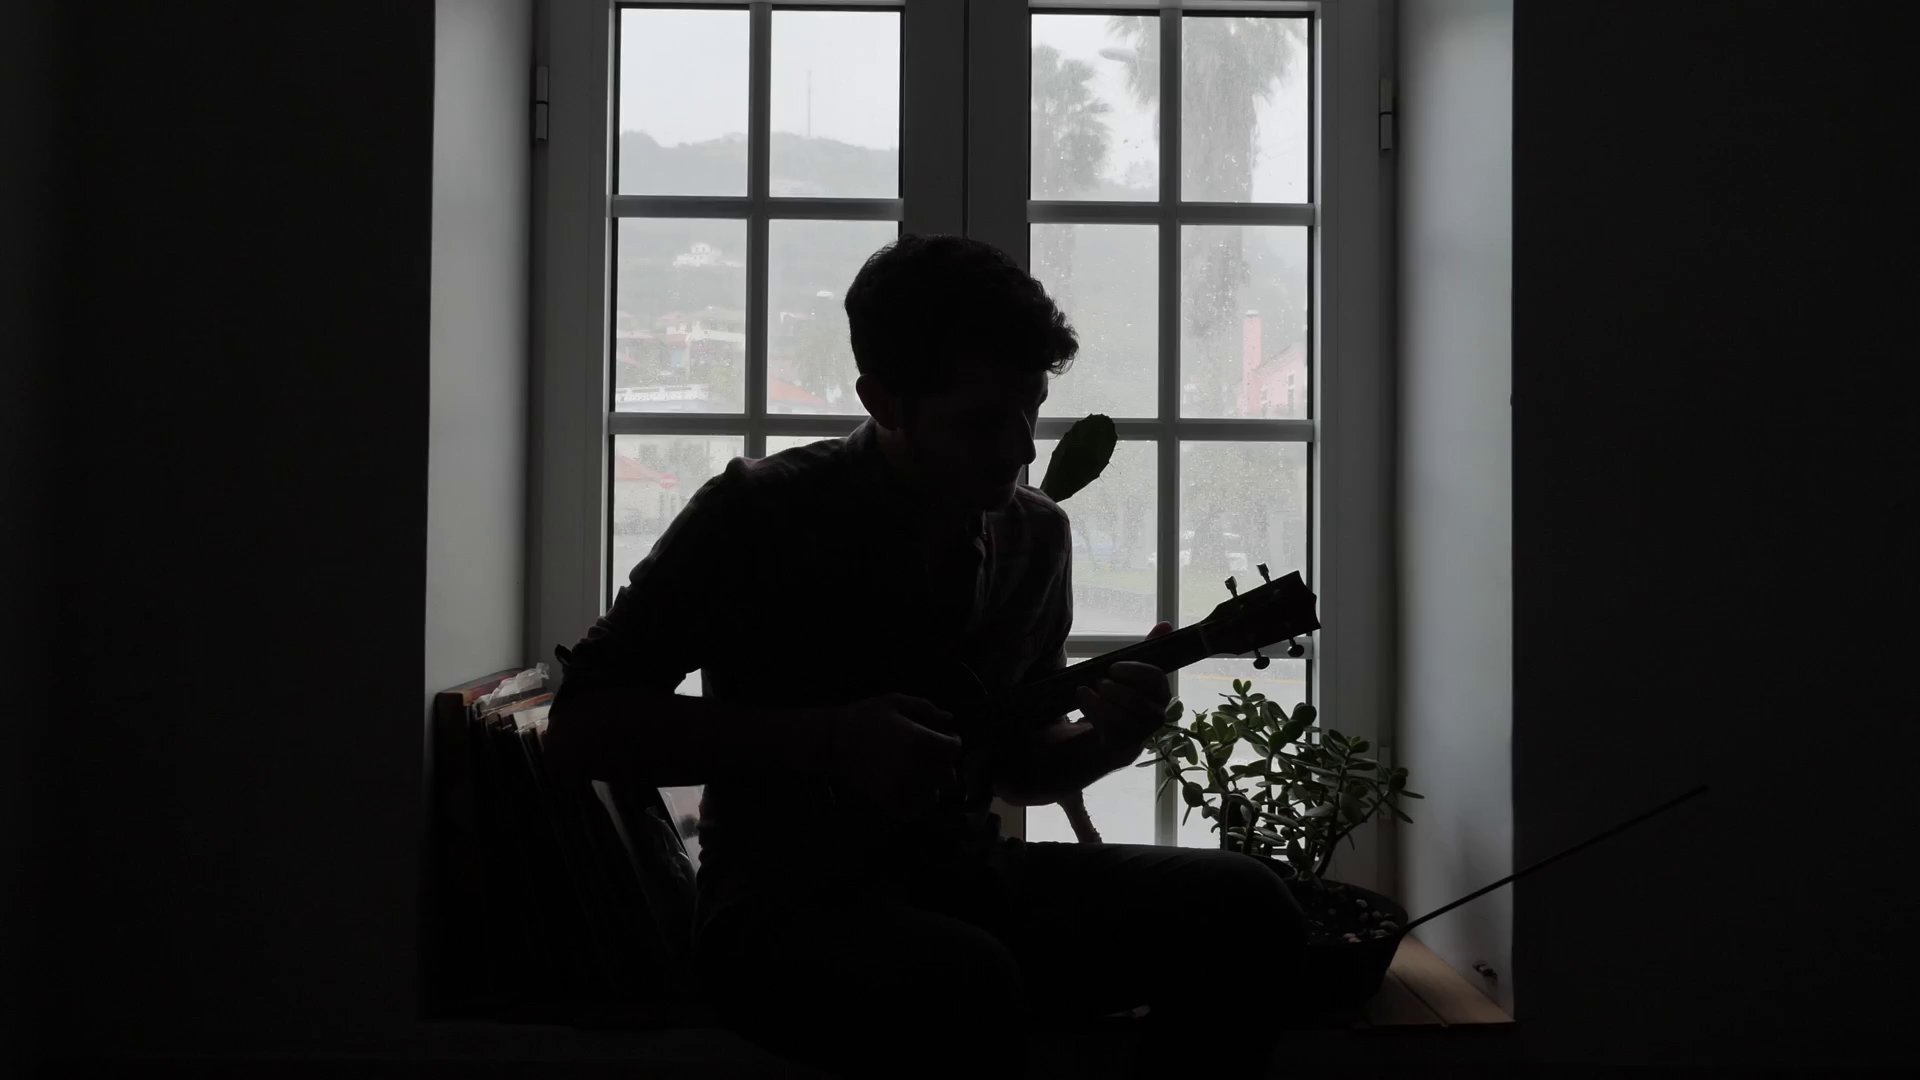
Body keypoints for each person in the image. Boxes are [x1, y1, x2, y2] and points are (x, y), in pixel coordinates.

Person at [546, 235, 1305, 1078]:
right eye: (982, 419)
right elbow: (582, 725)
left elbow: (1020, 769)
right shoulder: (758, 514)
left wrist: (1114, 739)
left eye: (1034, 404)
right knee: (966, 979)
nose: (1022, 448)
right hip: (775, 906)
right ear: (884, 400)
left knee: (1249, 907)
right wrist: (825, 740)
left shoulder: (1033, 535)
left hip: (958, 877)